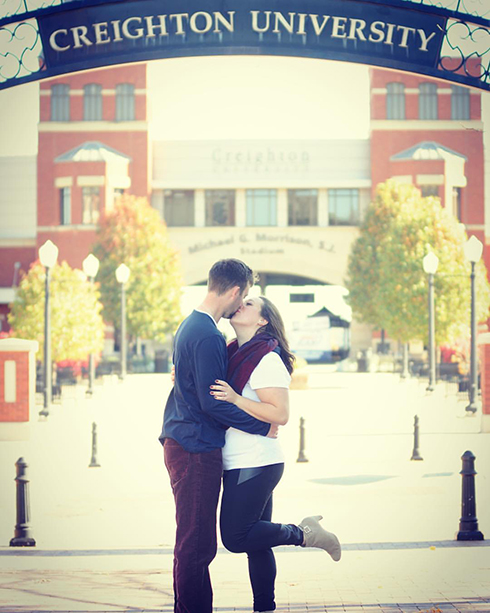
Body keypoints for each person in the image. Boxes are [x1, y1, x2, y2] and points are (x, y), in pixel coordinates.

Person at [159, 259, 277, 613]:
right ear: (235, 291)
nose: (241, 304)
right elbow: (212, 404)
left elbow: (191, 386)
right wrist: (263, 426)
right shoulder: (209, 334)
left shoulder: (191, 325)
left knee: (193, 544)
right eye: (244, 296)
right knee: (197, 547)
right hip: (195, 448)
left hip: (183, 442)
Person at [210, 295, 341, 613]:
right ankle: (264, 608)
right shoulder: (234, 353)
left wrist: (235, 399)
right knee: (258, 542)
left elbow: (279, 413)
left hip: (256, 460)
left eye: (250, 304)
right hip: (243, 458)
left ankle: (305, 533)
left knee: (235, 537)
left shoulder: (265, 358)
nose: (241, 304)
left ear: (263, 320)